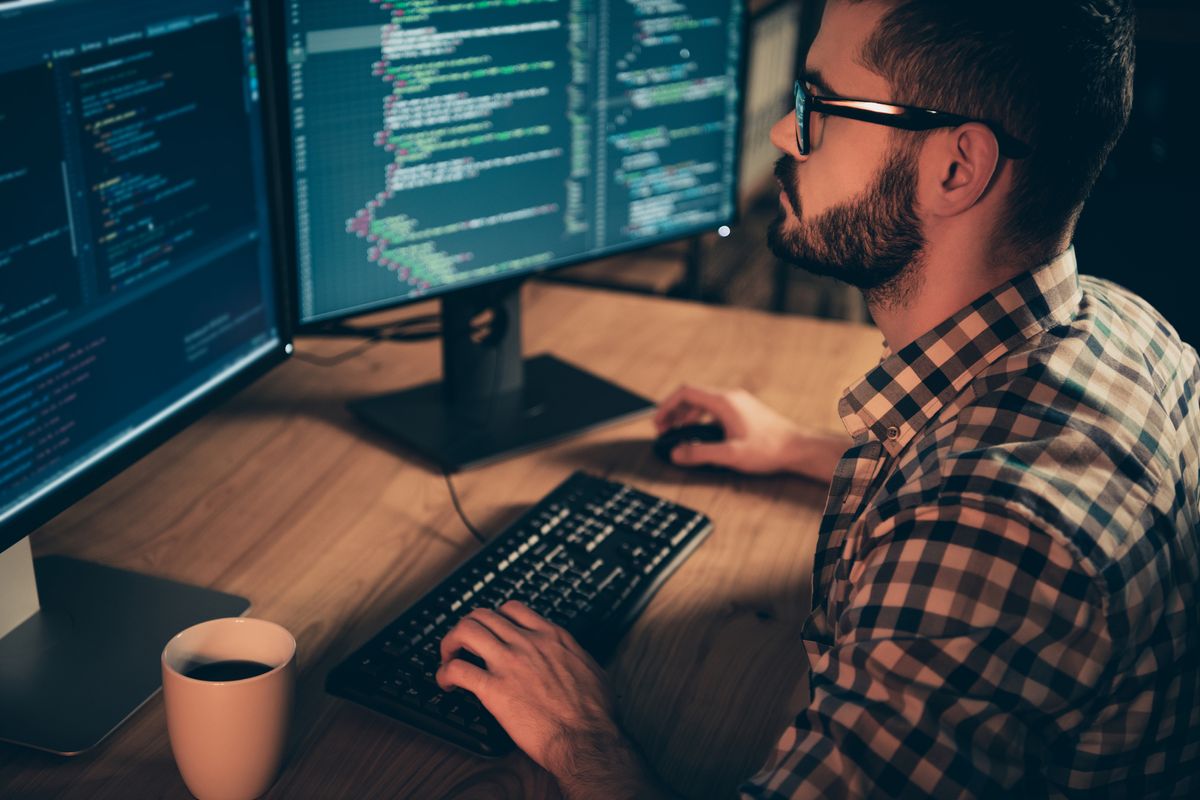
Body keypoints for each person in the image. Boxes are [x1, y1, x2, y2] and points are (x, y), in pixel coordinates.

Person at [435, 0, 1200, 796]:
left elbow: (992, 531)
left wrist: (577, 734)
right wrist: (796, 448)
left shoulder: (995, 540)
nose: (782, 134)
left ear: (956, 168)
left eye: (817, 106)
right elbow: (990, 485)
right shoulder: (1122, 328)